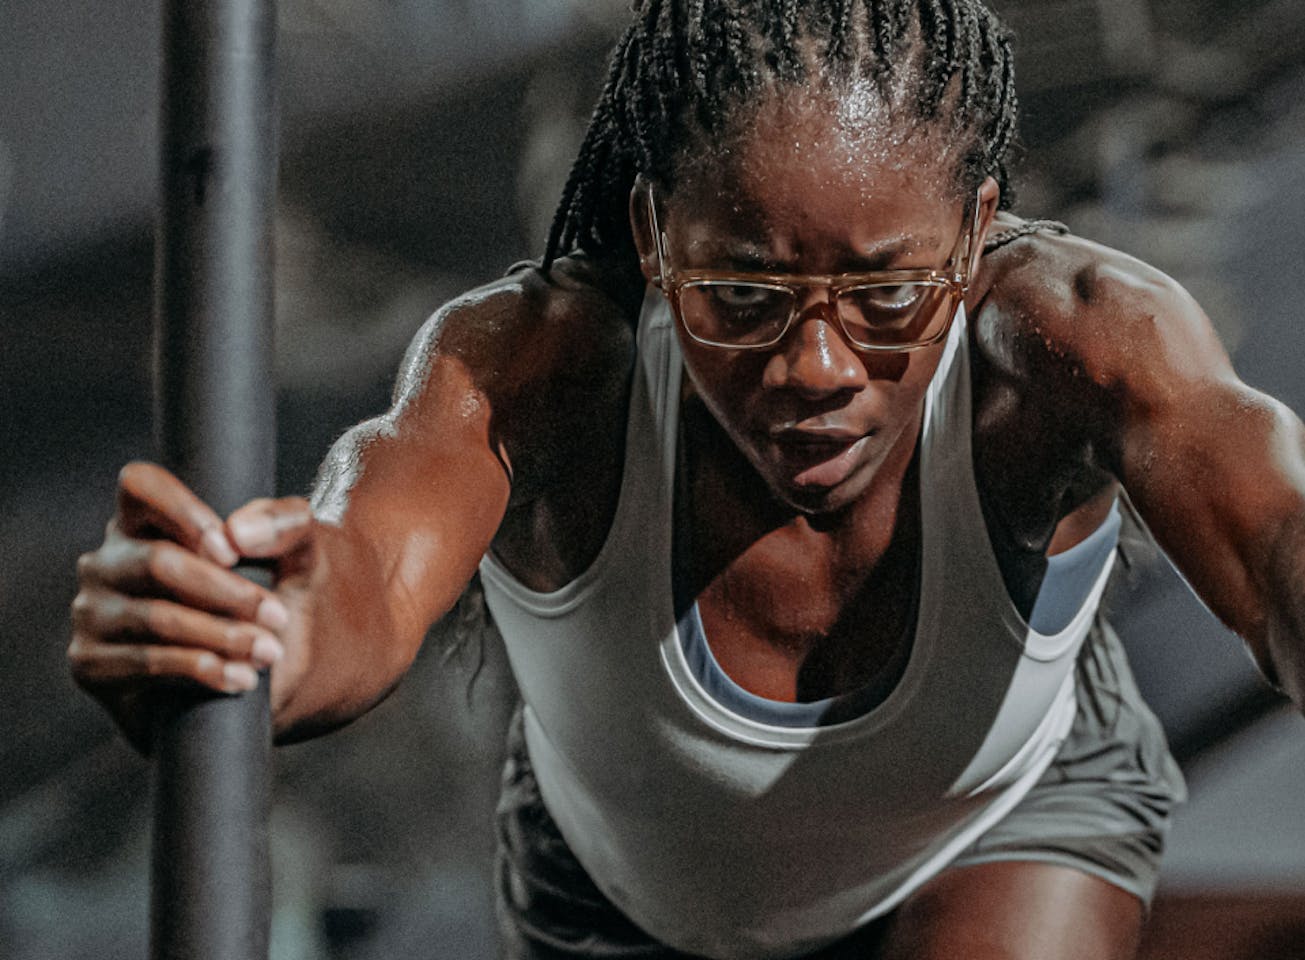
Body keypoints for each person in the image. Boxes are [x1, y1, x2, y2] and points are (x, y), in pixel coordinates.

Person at [69, 1, 1305, 957]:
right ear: (656, 235)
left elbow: (1274, 543)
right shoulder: (539, 368)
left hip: (1003, 824)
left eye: (886, 294)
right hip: (627, 893)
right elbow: (366, 579)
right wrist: (254, 624)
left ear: (977, 232)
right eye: (744, 293)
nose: (817, 367)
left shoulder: (1075, 345)